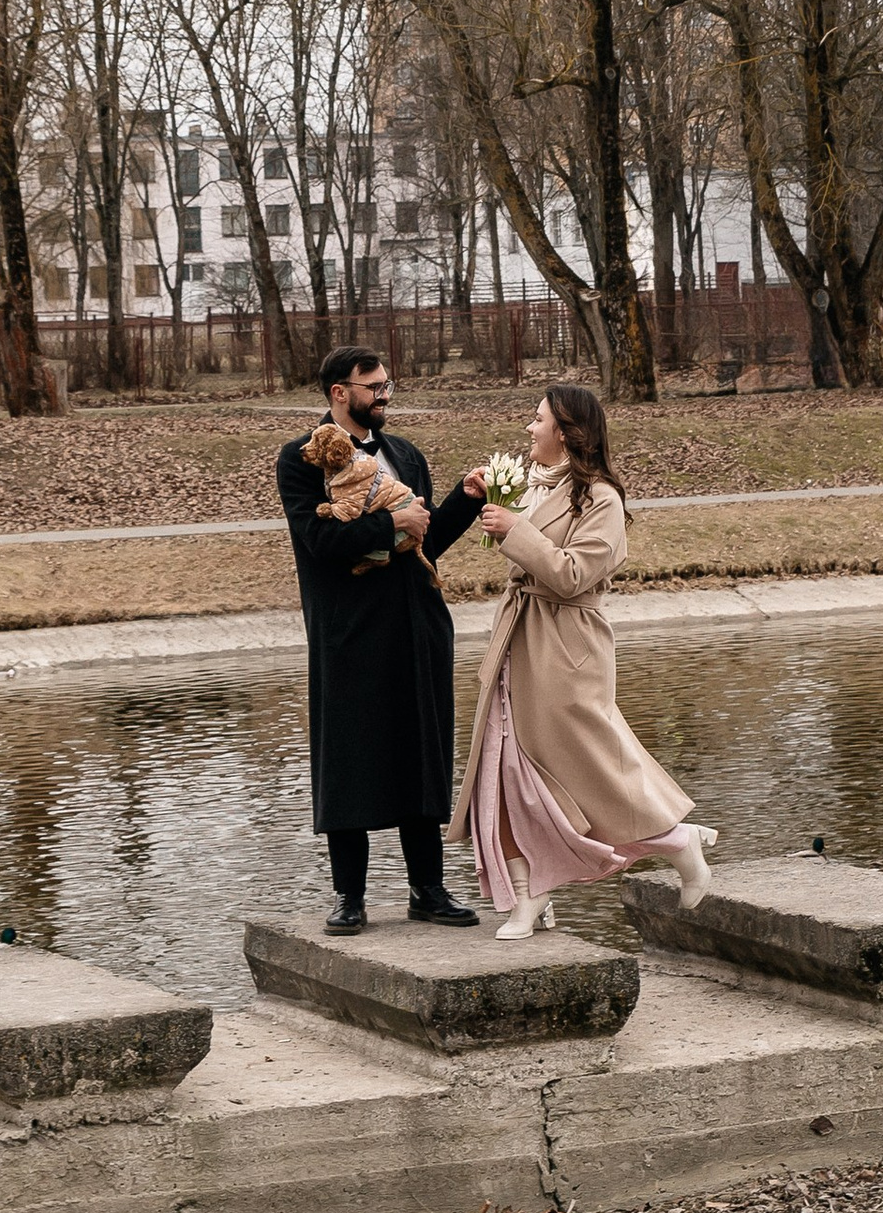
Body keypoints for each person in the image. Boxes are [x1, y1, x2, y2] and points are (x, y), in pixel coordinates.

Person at [451, 382, 716, 942]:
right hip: (515, 644)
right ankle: (528, 901)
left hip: (566, 649)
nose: (528, 428)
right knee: (504, 778)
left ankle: (678, 843)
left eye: (538, 419)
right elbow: (520, 529)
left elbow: (574, 575)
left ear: (568, 432)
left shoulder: (602, 500)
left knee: (593, 772)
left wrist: (515, 530)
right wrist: (485, 497)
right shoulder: (534, 485)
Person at [277, 345, 485, 933]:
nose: (386, 394)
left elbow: (426, 543)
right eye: (374, 387)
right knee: (349, 759)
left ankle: (429, 889)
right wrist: (391, 522)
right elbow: (320, 546)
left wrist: (463, 503)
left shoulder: (406, 455)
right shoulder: (301, 460)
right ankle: (350, 898)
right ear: (339, 393)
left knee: (421, 755)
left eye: (387, 383)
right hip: (348, 632)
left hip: (416, 626)